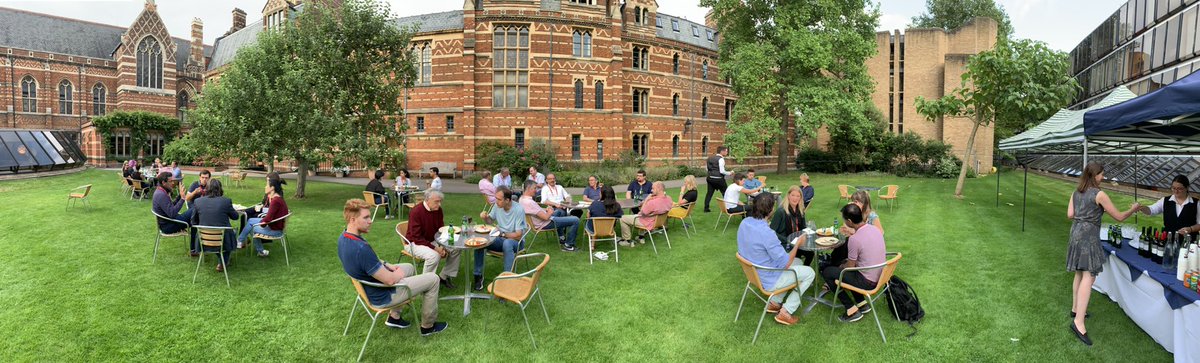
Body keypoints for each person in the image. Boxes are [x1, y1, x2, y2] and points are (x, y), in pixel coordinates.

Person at [337, 198, 448, 335]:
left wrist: (387, 265)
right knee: (433, 279)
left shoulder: (344, 238)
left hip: (370, 287)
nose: (370, 221)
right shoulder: (361, 249)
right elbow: (389, 280)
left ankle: (394, 317)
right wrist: (397, 274)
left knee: (409, 267)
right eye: (366, 217)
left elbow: (371, 261)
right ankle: (428, 326)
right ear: (353, 220)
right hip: (383, 295)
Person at [1065, 163, 1138, 345]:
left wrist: (1084, 215)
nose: (1103, 177)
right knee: (1089, 276)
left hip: (1075, 233)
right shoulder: (1099, 194)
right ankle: (1078, 322)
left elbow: (1070, 214)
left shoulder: (1076, 192)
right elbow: (1119, 217)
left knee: (1079, 272)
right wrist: (1134, 208)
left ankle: (1075, 309)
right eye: (1101, 174)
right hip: (1088, 237)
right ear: (1095, 175)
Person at [738, 193, 815, 326]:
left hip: (754, 272)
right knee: (810, 273)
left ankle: (775, 302)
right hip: (768, 279)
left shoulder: (745, 223)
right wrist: (797, 244)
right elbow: (786, 263)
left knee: (799, 262)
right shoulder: (767, 233)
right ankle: (786, 311)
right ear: (771, 210)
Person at [405, 189, 462, 289]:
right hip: (414, 243)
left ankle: (443, 277)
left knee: (455, 248)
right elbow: (416, 237)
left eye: (440, 201)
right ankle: (424, 285)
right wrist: (436, 248)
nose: (439, 204)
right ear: (427, 200)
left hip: (433, 240)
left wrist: (442, 245)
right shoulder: (416, 212)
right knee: (434, 256)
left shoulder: (438, 210)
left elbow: (440, 229)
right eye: (437, 201)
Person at [475, 187, 528, 291]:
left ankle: (507, 279)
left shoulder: (518, 210)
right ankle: (478, 276)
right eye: (496, 198)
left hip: (516, 242)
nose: (496, 201)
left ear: (507, 200)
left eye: (499, 199)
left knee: (507, 243)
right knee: (480, 241)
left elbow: (518, 235)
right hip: (500, 238)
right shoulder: (497, 205)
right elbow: (490, 221)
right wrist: (485, 217)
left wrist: (502, 234)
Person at [191, 179, 238, 272]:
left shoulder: (198, 201)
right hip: (223, 239)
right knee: (232, 232)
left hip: (203, 239)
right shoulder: (226, 201)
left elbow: (193, 221)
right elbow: (235, 217)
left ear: (207, 188)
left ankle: (222, 261)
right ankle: (222, 262)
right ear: (220, 189)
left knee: (223, 233)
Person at [520, 180, 580, 252]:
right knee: (575, 220)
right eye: (534, 188)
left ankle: (561, 237)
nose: (536, 191)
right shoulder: (529, 202)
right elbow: (546, 217)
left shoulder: (522, 199)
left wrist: (545, 209)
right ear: (528, 188)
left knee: (558, 212)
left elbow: (535, 211)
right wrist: (550, 211)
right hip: (545, 223)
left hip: (540, 221)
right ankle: (569, 245)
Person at [236, 179, 289, 257]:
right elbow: (270, 217)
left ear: (272, 188)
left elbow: (268, 219)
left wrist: (261, 225)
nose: (265, 187)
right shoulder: (278, 198)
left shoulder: (275, 201)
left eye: (267, 185)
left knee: (251, 228)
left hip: (276, 230)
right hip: (275, 225)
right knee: (250, 220)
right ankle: (241, 241)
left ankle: (255, 248)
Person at [152, 172, 196, 254]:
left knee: (194, 218)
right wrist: (182, 199)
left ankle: (194, 249)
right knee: (195, 210)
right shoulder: (161, 195)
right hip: (169, 226)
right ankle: (194, 249)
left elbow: (170, 206)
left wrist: (179, 196)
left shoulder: (160, 191)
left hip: (170, 221)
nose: (172, 183)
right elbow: (172, 213)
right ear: (163, 182)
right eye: (170, 181)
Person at [618, 181, 673, 246]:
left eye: (653, 188)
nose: (651, 190)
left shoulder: (652, 202)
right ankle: (641, 237)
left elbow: (642, 212)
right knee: (644, 216)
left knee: (622, 218)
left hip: (647, 222)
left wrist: (646, 200)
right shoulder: (669, 199)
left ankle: (627, 240)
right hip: (658, 222)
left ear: (658, 189)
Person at [770, 186, 814, 266]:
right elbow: (771, 232)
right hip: (784, 244)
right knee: (796, 255)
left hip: (797, 242)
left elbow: (803, 228)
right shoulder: (780, 212)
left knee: (810, 253)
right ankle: (794, 268)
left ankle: (804, 268)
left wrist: (807, 233)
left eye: (798, 196)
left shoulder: (800, 211)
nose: (795, 198)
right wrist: (787, 240)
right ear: (788, 196)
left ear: (800, 198)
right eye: (793, 195)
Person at [704, 146, 733, 212]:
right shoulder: (721, 159)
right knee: (725, 193)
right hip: (719, 179)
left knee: (709, 193)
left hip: (710, 178)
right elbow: (722, 171)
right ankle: (729, 208)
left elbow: (706, 169)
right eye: (726, 151)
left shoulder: (709, 158)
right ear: (722, 151)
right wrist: (730, 173)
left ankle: (706, 208)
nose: (727, 152)